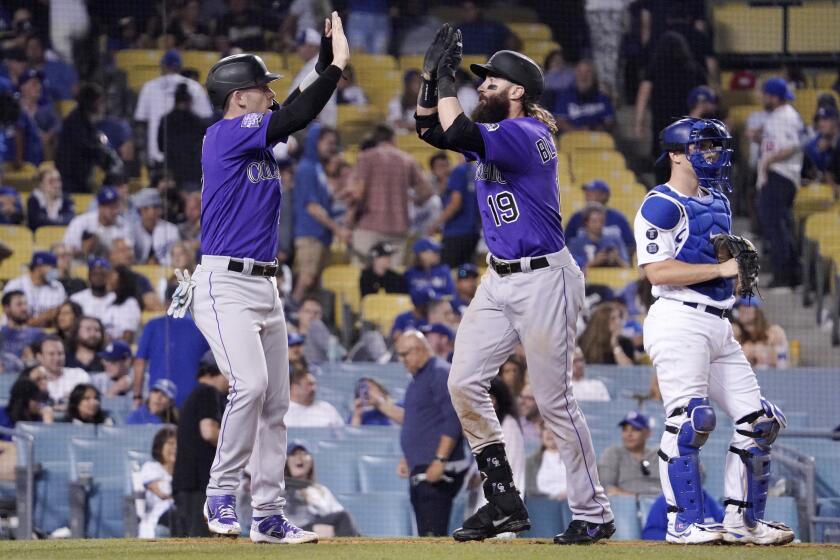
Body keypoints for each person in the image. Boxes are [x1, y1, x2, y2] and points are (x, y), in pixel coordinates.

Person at [415, 28, 614, 542]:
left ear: (517, 91)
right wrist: (429, 81)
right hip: (499, 277)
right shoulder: (500, 133)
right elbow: (432, 132)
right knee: (462, 383)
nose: (482, 88)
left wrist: (446, 79)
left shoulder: (527, 135)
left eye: (490, 82)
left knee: (553, 402)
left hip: (546, 278)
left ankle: (593, 513)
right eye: (478, 82)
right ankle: (503, 500)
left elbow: (456, 133)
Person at [178, 18, 346, 541]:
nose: (271, 94)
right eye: (262, 88)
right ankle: (221, 494)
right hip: (223, 283)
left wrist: (322, 59)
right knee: (249, 387)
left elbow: (296, 105)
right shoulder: (226, 134)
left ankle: (269, 515)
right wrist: (336, 67)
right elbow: (299, 111)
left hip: (265, 285)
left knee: (276, 404)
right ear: (238, 98)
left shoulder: (254, 137)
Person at [635, 116, 794, 545]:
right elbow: (656, 271)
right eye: (702, 147)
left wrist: (735, 278)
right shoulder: (660, 203)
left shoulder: (719, 200)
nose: (711, 154)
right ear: (674, 154)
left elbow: (721, 267)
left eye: (714, 146)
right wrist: (721, 268)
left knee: (759, 421)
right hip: (678, 318)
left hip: (718, 321)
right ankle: (681, 523)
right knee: (690, 420)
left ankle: (743, 523)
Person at [394, 331, 466, 537]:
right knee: (425, 534)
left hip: (436, 469)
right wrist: (408, 457)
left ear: (419, 349)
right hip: (421, 466)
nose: (402, 360)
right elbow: (420, 422)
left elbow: (453, 419)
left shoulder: (440, 373)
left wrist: (439, 459)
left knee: (433, 537)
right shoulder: (419, 378)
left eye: (405, 354)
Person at [347, 123, 431, 266]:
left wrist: (350, 220)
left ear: (375, 139)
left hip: (369, 226)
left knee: (363, 276)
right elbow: (427, 191)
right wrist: (416, 201)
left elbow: (358, 194)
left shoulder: (366, 158)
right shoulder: (406, 159)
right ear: (393, 139)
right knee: (393, 278)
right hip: (398, 227)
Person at [756, 78, 804, 289]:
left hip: (781, 176)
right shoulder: (777, 116)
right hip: (777, 176)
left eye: (765, 94)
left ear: (773, 97)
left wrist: (769, 160)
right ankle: (792, 273)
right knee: (778, 225)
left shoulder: (786, 116)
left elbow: (792, 146)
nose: (762, 98)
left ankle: (784, 275)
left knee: (776, 227)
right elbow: (778, 143)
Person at [172, 360, 228, 538]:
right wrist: (238, 445)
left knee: (188, 542)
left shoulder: (196, 394)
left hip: (189, 483)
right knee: (199, 541)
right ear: (217, 372)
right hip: (196, 484)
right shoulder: (207, 392)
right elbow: (209, 432)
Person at [292, 124, 347, 302]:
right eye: (328, 142)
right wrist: (337, 228)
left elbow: (322, 201)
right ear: (315, 141)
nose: (331, 147)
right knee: (306, 279)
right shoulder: (307, 168)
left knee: (314, 282)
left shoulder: (317, 168)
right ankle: (291, 309)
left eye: (334, 143)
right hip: (309, 233)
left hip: (320, 234)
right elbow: (312, 207)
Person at [633, 32, 707, 162]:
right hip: (687, 126)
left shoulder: (655, 68)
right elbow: (706, 96)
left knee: (663, 164)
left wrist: (639, 122)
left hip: (662, 125)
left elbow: (643, 94)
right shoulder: (694, 69)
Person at [133, 50, 213, 166]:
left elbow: (140, 123)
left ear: (163, 66)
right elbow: (207, 121)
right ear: (180, 67)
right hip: (188, 157)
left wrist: (143, 153)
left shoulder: (149, 87)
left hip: (157, 154)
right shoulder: (193, 87)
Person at [133, 296, 210, 409]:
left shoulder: (153, 325)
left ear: (166, 303)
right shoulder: (203, 326)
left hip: (159, 400)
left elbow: (140, 363)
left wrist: (137, 396)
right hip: (194, 399)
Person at [467, 377, 526, 521]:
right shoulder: (490, 426)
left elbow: (511, 469)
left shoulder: (509, 426)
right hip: (487, 493)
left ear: (496, 400)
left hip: (504, 495)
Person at [54, 83, 124, 193]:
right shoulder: (75, 122)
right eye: (100, 102)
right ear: (91, 103)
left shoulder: (88, 122)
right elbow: (89, 147)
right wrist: (107, 157)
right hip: (70, 181)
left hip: (81, 177)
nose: (102, 105)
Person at [283, 441, 360, 537]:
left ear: (311, 462)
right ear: (286, 462)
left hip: (322, 531)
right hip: (294, 532)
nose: (299, 457)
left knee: (344, 519)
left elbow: (338, 514)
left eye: (304, 454)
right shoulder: (280, 489)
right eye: (294, 454)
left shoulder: (321, 490)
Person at [430, 160, 481, 269]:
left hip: (456, 232)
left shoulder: (458, 171)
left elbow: (455, 203)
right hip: (473, 232)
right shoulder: (476, 170)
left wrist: (435, 224)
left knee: (445, 271)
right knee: (466, 273)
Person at [157, 83, 207, 190]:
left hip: (172, 171)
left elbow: (161, 147)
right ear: (189, 101)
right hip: (193, 170)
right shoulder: (198, 122)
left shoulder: (165, 120)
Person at [598, 411, 661, 496]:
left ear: (647, 433)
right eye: (625, 429)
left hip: (661, 506)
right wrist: (637, 498)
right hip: (624, 506)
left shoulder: (659, 456)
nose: (629, 434)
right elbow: (606, 489)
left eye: (635, 429)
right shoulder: (613, 453)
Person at [564, 180, 635, 254]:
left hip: (613, 264)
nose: (588, 196)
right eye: (587, 193)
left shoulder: (619, 218)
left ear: (604, 196)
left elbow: (631, 245)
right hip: (582, 263)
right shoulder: (576, 218)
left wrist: (616, 257)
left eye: (592, 193)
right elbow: (566, 245)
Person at [63, 186, 131, 257]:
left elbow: (128, 254)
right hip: (82, 264)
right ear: (100, 207)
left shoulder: (124, 225)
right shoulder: (81, 222)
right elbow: (67, 249)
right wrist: (86, 248)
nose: (114, 211)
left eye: (116, 206)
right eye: (110, 207)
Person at [551, 59, 615, 134]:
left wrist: (595, 129)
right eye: (580, 72)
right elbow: (560, 122)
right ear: (575, 75)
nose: (583, 76)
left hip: (597, 139)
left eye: (587, 72)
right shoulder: (565, 96)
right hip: (573, 140)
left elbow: (610, 123)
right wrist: (580, 133)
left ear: (594, 76)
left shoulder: (602, 97)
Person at [3, 252, 66, 327]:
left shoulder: (57, 286)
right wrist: (43, 318)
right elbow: (10, 315)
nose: (55, 271)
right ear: (38, 267)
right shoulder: (15, 285)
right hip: (15, 332)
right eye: (52, 267)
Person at [290, 28, 337, 127]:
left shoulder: (319, 66)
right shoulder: (315, 64)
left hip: (317, 124)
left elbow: (315, 97)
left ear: (312, 47)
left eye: (301, 45)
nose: (298, 49)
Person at [139, 427, 177, 538]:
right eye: (170, 443)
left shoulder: (184, 471)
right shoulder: (150, 467)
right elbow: (163, 491)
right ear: (160, 447)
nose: (175, 448)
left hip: (182, 521)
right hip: (157, 525)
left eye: (178, 444)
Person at [642, 489, 724, 541]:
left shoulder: (707, 499)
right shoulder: (664, 501)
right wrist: (680, 538)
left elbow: (723, 526)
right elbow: (649, 533)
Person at [568, 204, 631, 271]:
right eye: (594, 221)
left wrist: (617, 259)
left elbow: (628, 267)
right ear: (586, 223)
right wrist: (594, 262)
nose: (598, 225)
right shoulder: (575, 244)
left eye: (601, 221)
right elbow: (572, 271)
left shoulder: (615, 240)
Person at [36, 334, 92, 408]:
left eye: (60, 353)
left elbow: (89, 403)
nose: (57, 358)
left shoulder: (79, 375)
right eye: (51, 354)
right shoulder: (33, 378)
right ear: (40, 357)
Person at [734, 298, 789, 369]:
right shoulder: (737, 333)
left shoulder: (775, 332)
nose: (741, 310)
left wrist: (760, 350)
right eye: (739, 307)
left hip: (774, 376)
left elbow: (781, 363)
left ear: (757, 311)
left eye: (747, 306)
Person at [131, 188, 181, 266]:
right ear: (139, 210)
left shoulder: (171, 230)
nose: (151, 212)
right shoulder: (131, 230)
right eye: (146, 208)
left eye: (155, 207)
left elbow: (176, 258)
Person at [525, 421, 568, 500]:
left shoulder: (575, 460)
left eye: (552, 429)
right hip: (542, 507)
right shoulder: (531, 462)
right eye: (545, 429)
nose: (548, 433)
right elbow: (529, 491)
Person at [0, 291, 44, 358]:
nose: (24, 308)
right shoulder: (1, 333)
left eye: (25, 304)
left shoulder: (39, 334)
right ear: (6, 308)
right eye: (19, 304)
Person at [804, 106, 839, 182]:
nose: (821, 124)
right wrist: (820, 152)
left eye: (825, 120)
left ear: (835, 122)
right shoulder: (813, 145)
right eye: (819, 120)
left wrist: (832, 149)